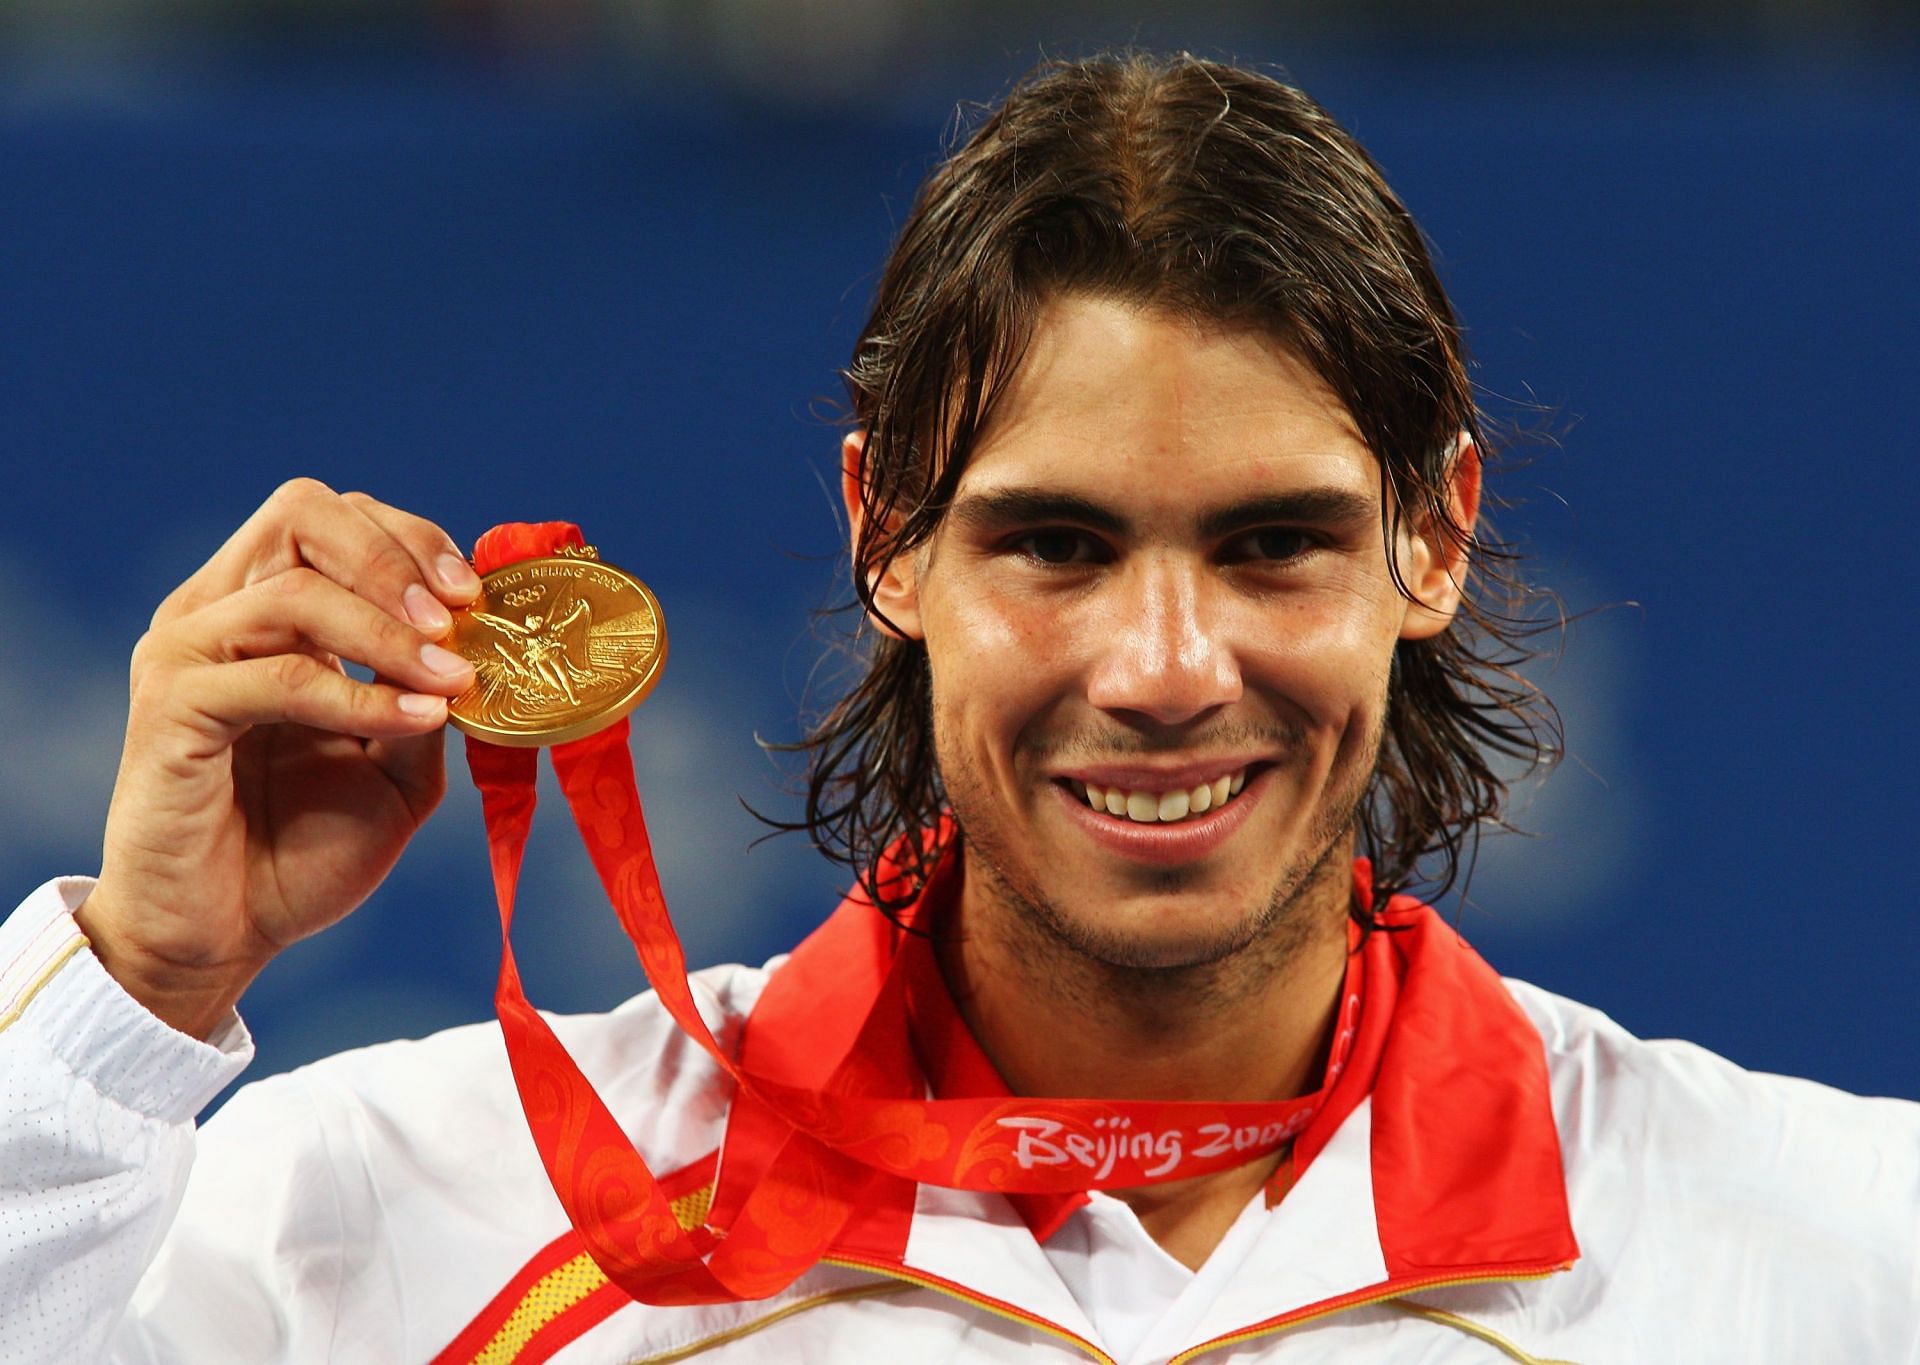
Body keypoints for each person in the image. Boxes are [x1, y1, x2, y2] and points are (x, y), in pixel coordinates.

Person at [1, 51, 1915, 1365]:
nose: (1164, 668)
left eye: (1273, 546)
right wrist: (135, 995)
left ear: (1436, 538)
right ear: (886, 538)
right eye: (1057, 545)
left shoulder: (1822, 1258)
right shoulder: (401, 1222)